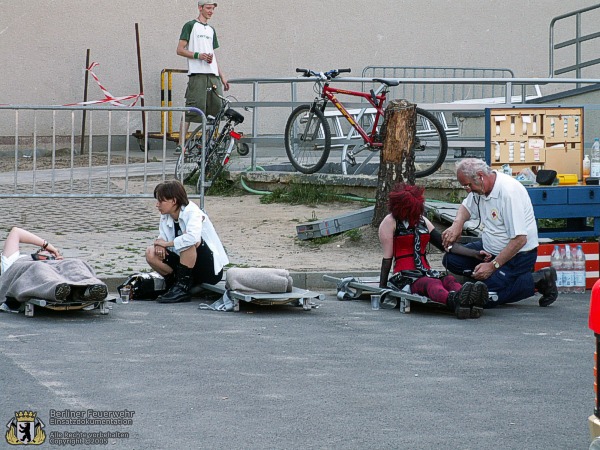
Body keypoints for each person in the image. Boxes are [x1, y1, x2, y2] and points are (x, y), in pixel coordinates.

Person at [441, 158, 558, 307]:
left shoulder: (508, 193)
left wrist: (492, 266)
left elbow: (519, 240)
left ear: (480, 176)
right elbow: (466, 207)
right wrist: (457, 225)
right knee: (450, 259)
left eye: (468, 185)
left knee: (483, 298)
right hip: (489, 249)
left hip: (517, 256)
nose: (468, 190)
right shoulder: (480, 188)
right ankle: (489, 279)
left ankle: (538, 280)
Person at [378, 183, 490, 319]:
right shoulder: (389, 222)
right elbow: (387, 258)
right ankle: (453, 300)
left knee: (448, 279)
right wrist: (382, 286)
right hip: (404, 276)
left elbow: (446, 246)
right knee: (431, 283)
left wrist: (474, 253)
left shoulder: (422, 221)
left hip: (425, 271)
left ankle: (469, 298)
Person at [146, 180, 229, 303]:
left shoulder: (192, 212)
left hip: (208, 269)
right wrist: (160, 244)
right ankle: (175, 283)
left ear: (174, 201)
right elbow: (162, 237)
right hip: (184, 266)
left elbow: (193, 238)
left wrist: (166, 244)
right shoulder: (166, 215)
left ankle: (182, 288)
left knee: (189, 243)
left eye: (161, 201)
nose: (157, 205)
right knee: (151, 252)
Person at [0, 227, 108, 310]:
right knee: (39, 267)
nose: (50, 254)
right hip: (33, 271)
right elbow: (16, 232)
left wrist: (58, 260)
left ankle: (89, 288)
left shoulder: (57, 263)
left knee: (75, 263)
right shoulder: (15, 259)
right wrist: (49, 247)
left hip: (57, 275)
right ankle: (57, 289)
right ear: (39, 252)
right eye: (47, 252)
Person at [176, 1, 229, 151]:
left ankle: (207, 143)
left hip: (213, 76)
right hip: (197, 75)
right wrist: (199, 55)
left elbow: (213, 55)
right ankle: (180, 145)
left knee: (216, 110)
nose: (211, 11)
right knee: (192, 109)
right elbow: (180, 49)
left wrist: (222, 75)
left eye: (212, 8)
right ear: (200, 8)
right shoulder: (190, 25)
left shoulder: (211, 30)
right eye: (208, 8)